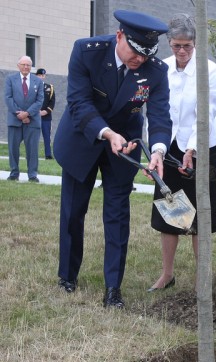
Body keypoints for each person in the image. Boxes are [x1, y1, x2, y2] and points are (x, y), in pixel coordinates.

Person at [54, 10, 172, 308]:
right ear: (119, 36)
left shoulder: (156, 71)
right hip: (84, 137)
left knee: (117, 216)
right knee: (73, 211)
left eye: (146, 55)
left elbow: (159, 115)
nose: (139, 60)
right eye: (135, 51)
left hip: (126, 149)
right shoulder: (87, 51)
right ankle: (67, 276)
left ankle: (113, 289)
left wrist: (157, 151)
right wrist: (106, 133)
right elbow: (78, 102)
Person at [147, 14, 216, 291]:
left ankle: (202, 278)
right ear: (169, 43)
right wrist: (157, 149)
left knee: (199, 216)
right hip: (169, 148)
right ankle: (167, 274)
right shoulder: (161, 68)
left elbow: (207, 112)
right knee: (171, 211)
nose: (182, 51)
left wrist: (191, 149)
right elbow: (157, 111)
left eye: (187, 46)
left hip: (202, 148)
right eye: (176, 45)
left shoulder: (210, 70)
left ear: (196, 43)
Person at [4, 56, 44, 182]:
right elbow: (8, 98)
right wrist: (19, 114)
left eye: (28, 65)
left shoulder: (38, 81)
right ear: (18, 65)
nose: (26, 67)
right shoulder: (10, 79)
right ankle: (14, 173)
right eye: (23, 64)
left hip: (32, 121)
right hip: (15, 120)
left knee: (32, 150)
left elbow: (40, 101)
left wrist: (27, 114)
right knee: (13, 148)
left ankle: (32, 175)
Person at [36, 68, 55, 160]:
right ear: (36, 76)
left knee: (47, 136)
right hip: (34, 116)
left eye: (42, 75)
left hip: (46, 116)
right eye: (39, 75)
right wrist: (35, 112)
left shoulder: (49, 87)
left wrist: (46, 111)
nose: (41, 77)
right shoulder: (32, 87)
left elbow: (52, 102)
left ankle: (48, 154)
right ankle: (32, 154)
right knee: (33, 136)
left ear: (44, 76)